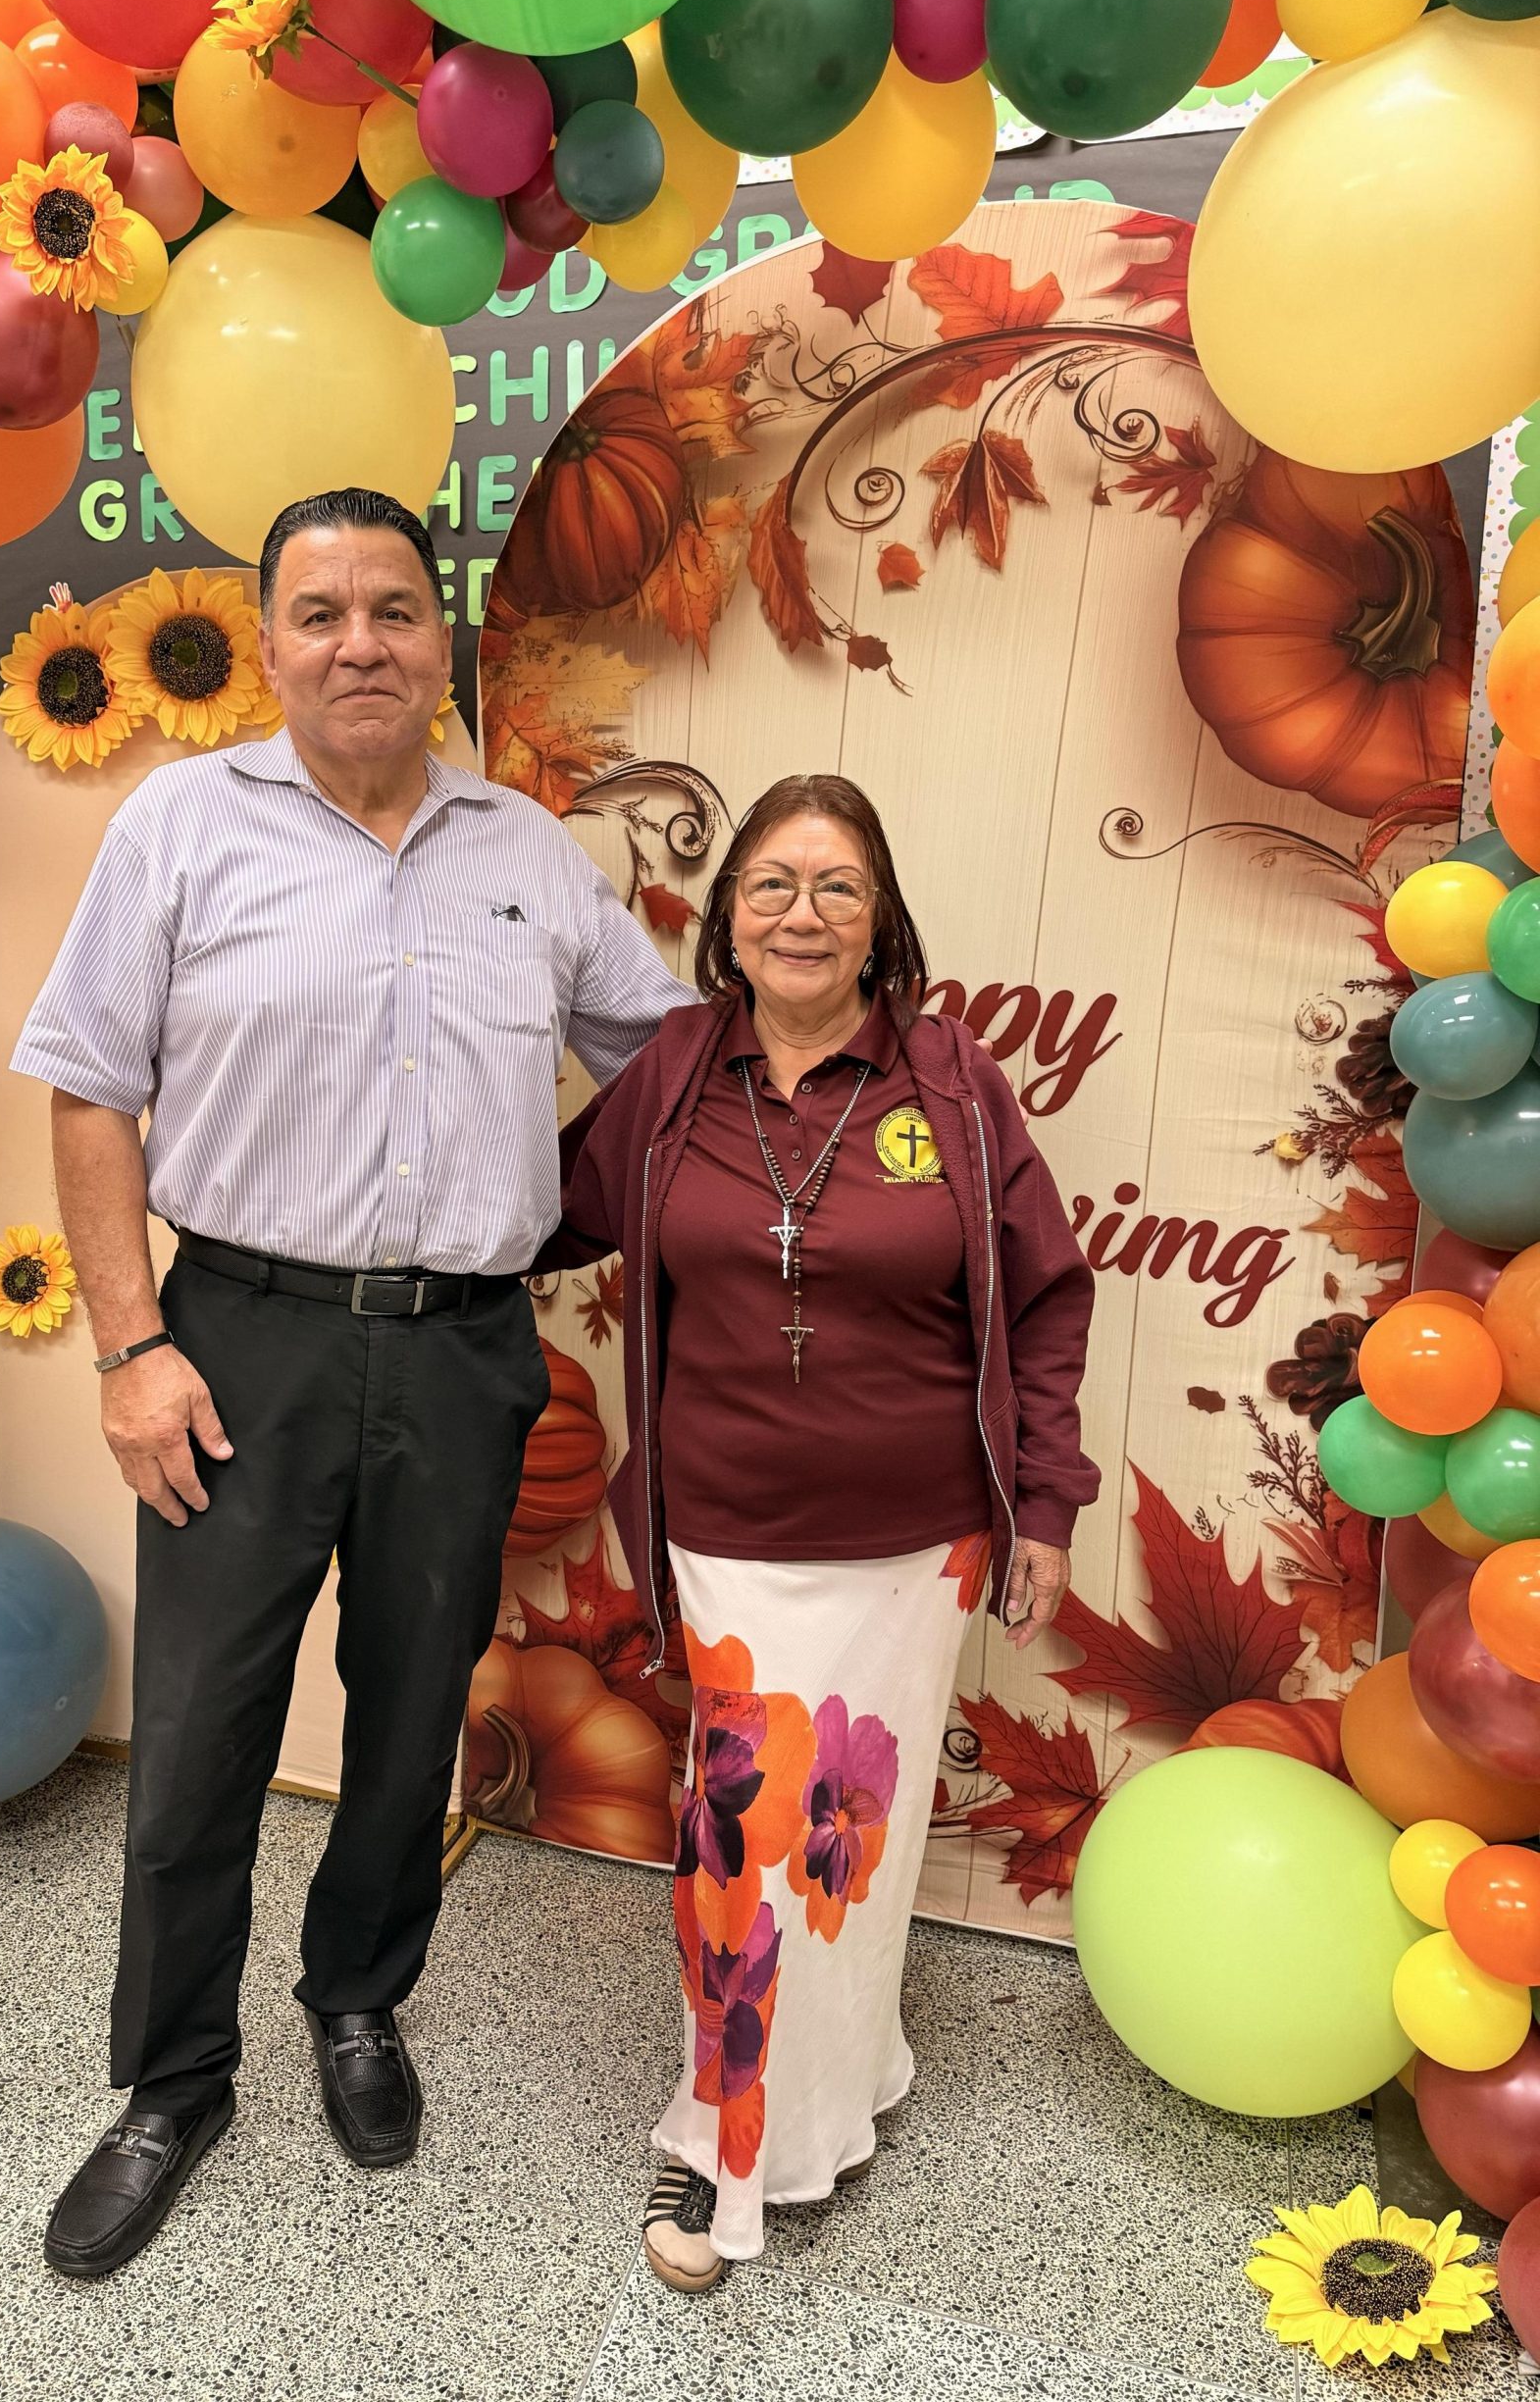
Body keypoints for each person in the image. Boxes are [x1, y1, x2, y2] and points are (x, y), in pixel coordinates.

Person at [11, 486, 692, 2279]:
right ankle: (173, 2082)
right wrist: (130, 1348)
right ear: (270, 644)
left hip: (465, 1352)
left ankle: (357, 1999)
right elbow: (90, 1087)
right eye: (320, 614)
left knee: (409, 1714)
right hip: (237, 1342)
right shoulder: (180, 827)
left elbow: (668, 1068)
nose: (360, 643)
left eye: (394, 608)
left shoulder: (528, 853)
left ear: (441, 639)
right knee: (200, 1736)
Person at [546, 772, 1098, 2291]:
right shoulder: (672, 1075)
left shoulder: (954, 1086)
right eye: (773, 885)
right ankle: (732, 2141)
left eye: (837, 886)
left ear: (880, 920)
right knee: (746, 1843)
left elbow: (1045, 1296)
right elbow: (541, 1214)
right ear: (727, 918)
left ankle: (846, 2079)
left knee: (854, 1852)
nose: (803, 913)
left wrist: (1045, 1500)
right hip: (727, 1536)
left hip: (919, 1546)